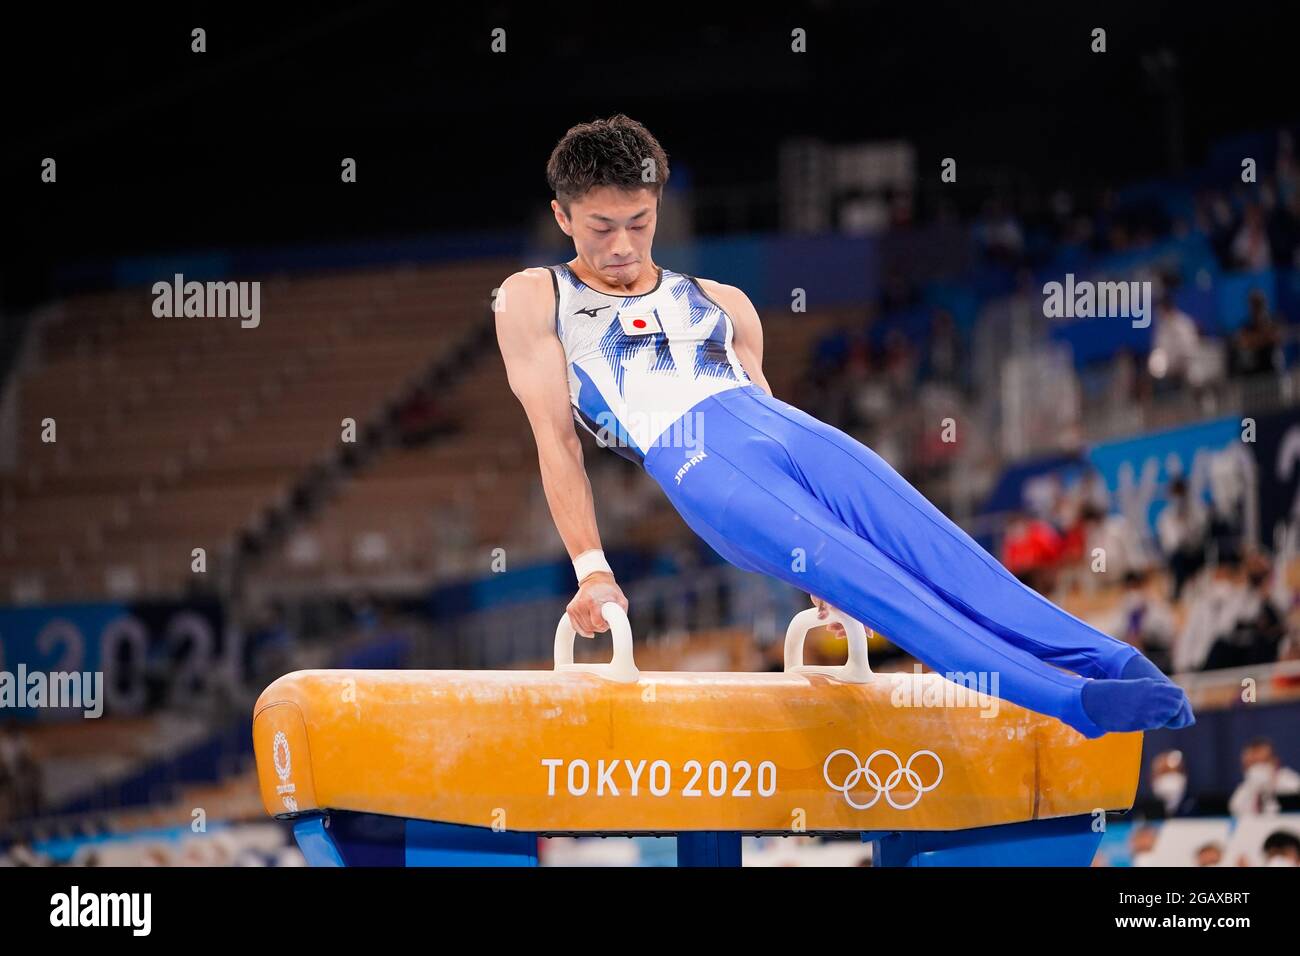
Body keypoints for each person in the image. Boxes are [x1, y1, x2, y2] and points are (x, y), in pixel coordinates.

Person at [494, 114, 1194, 740]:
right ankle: (1072, 702)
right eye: (600, 226)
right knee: (891, 591)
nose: (621, 245)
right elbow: (556, 442)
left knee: (946, 554)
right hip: (697, 460)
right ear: (562, 217)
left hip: (786, 430)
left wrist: (810, 581)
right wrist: (593, 571)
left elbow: (764, 406)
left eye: (639, 222)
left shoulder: (722, 300)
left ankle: (1117, 661)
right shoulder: (536, 297)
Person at [1228, 738, 1300, 817]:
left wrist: (1271, 785)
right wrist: (1253, 788)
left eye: (1262, 762)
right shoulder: (1245, 788)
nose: (1256, 769)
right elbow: (1235, 809)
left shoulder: (1290, 781)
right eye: (1251, 765)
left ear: (1275, 762)